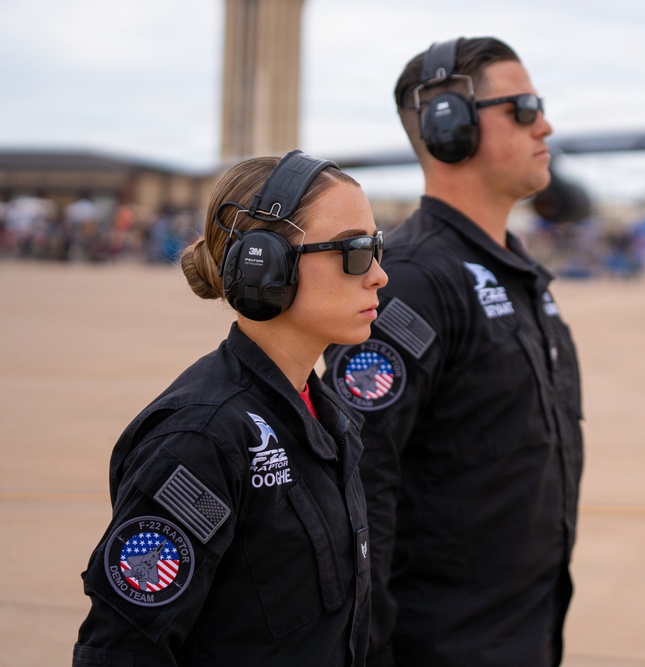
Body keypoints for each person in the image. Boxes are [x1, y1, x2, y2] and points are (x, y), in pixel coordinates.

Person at [323, 37, 584, 667]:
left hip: (522, 637)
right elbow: (360, 479)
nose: (544, 123)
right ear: (449, 126)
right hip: (438, 646)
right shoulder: (413, 280)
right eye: (522, 107)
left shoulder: (517, 275)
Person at [73, 150, 387, 666]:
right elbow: (122, 651)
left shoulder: (323, 412)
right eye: (354, 251)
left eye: (376, 247)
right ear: (266, 263)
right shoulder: (204, 439)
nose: (378, 275)